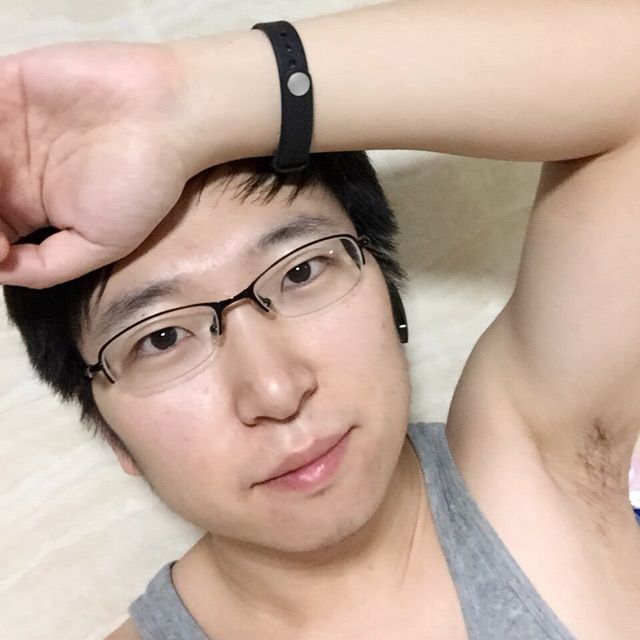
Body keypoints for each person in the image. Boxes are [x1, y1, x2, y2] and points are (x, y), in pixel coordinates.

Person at [1, 0, 639, 638]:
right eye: (161, 337)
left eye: (301, 272)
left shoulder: (537, 459)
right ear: (109, 430)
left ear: (387, 296)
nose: (276, 392)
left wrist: (186, 96)